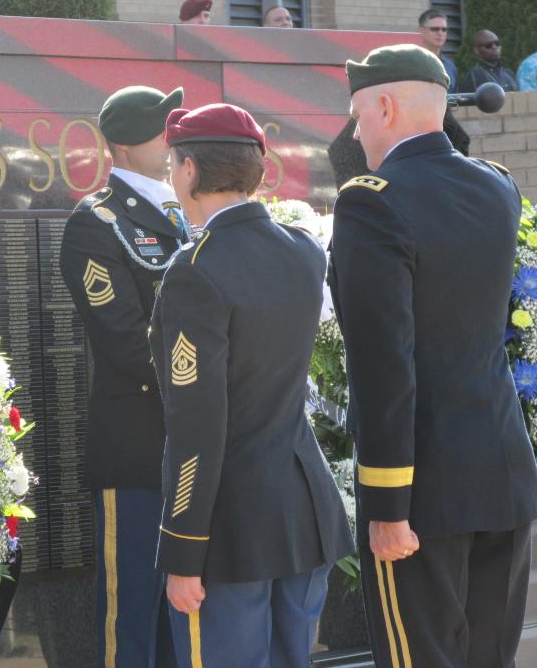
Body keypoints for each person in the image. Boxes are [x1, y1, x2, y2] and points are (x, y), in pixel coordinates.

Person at [329, 43, 537, 667]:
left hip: (421, 493)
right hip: (501, 474)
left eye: (359, 115)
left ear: (386, 105)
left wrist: (388, 505)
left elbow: (384, 364)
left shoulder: (371, 199)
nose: (357, 133)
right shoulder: (497, 187)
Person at [150, 103, 354, 667]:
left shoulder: (195, 268)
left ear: (189, 170)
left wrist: (185, 550)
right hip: (301, 512)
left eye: (172, 164)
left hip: (229, 526)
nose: (171, 176)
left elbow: (197, 423)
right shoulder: (303, 249)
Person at [59, 85, 185, 668]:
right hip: (139, 444)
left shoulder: (188, 212)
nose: (173, 138)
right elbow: (126, 340)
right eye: (165, 129)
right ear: (130, 146)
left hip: (195, 445)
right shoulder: (97, 223)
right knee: (133, 614)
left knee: (187, 618)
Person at [417, 9, 458, 93]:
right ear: (421, 31)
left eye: (444, 29)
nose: (440, 33)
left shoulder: (450, 66)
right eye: (435, 29)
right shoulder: (411, 63)